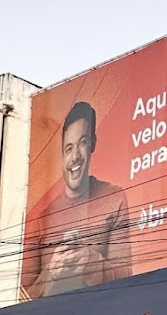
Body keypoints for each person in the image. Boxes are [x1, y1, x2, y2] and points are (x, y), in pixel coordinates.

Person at [22, 101, 133, 298]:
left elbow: (127, 280)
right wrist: (51, 272)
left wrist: (88, 260)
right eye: (68, 148)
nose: (75, 157)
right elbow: (19, 298)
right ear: (62, 155)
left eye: (82, 142)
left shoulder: (114, 198)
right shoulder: (41, 220)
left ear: (93, 144)